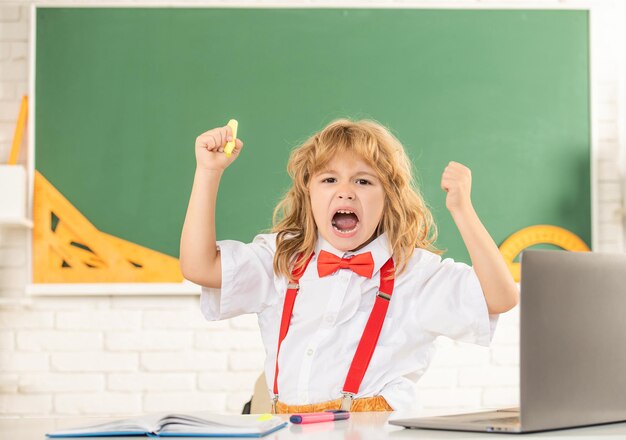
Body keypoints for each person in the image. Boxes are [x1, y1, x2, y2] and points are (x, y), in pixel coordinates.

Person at [180, 119, 519, 413]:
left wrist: (462, 209)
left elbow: (500, 297)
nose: (345, 192)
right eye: (329, 180)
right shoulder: (280, 259)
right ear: (308, 195)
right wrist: (208, 173)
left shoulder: (414, 273)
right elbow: (199, 266)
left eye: (363, 181)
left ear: (389, 199)